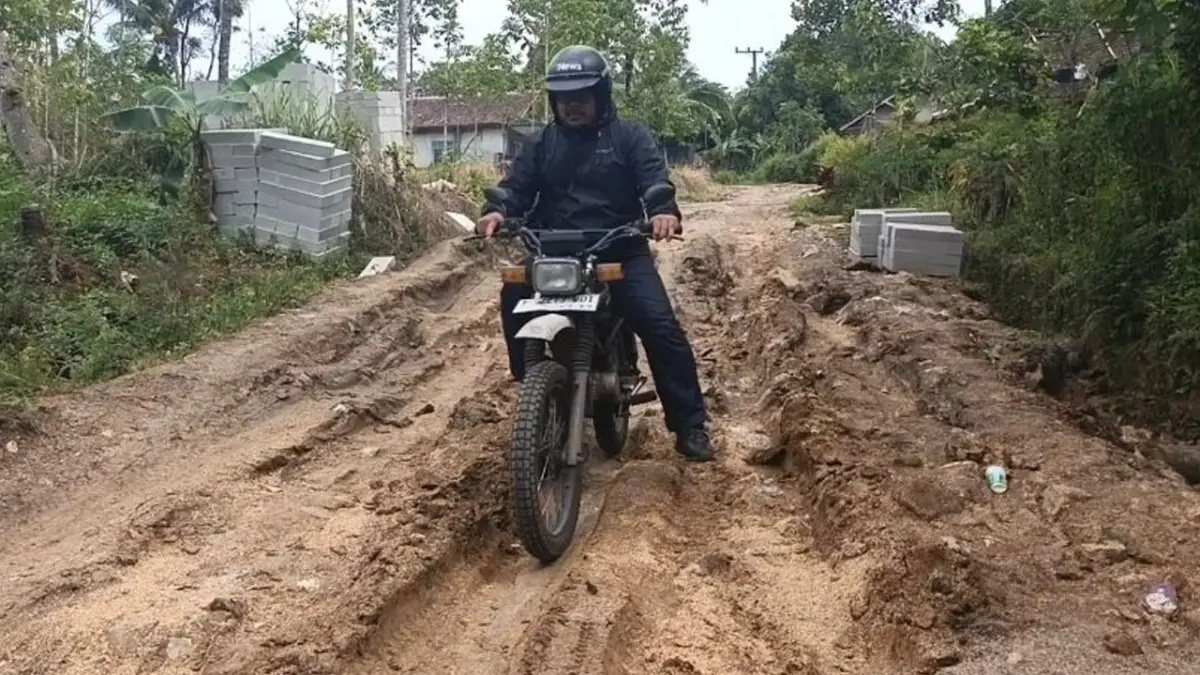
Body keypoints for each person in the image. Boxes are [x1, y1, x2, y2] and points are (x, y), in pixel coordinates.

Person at [475, 45, 714, 463]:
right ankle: (534, 385)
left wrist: (662, 212)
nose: (573, 104)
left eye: (582, 94)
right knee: (512, 295)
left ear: (601, 94)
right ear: (554, 101)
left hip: (618, 251)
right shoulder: (542, 144)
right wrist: (497, 211)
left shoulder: (630, 137)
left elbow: (654, 181)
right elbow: (516, 188)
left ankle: (690, 425)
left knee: (660, 326)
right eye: (565, 97)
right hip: (556, 253)